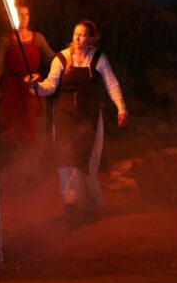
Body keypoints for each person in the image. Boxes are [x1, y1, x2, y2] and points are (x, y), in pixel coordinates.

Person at [30, 21, 128, 227]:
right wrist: (36, 87)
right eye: (75, 34)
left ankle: (82, 204)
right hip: (65, 114)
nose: (77, 38)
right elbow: (49, 86)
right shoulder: (61, 58)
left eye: (83, 35)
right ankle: (70, 206)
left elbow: (112, 83)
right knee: (66, 159)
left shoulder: (98, 59)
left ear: (91, 38)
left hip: (88, 116)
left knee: (84, 160)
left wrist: (121, 107)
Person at [0, 5, 56, 146]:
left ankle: (31, 155)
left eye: (26, 14)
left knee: (32, 120)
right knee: (9, 120)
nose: (24, 17)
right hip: (11, 85)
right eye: (20, 14)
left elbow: (51, 57)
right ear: (14, 16)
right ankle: (10, 156)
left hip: (33, 86)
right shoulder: (6, 39)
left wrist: (67, 59)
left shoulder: (37, 38)